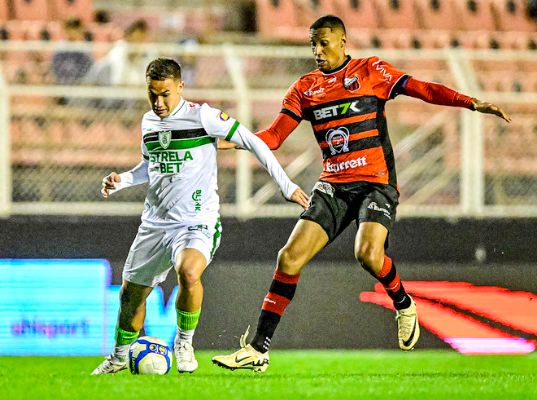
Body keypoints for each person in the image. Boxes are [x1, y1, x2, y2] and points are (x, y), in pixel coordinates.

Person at [212, 14, 511, 373]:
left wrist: (470, 102)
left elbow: (424, 89)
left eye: (324, 43)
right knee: (288, 258)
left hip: (376, 182)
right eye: (313, 44)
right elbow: (275, 136)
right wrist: (236, 140)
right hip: (333, 185)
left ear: (342, 41)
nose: (317, 51)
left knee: (367, 254)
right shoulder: (304, 88)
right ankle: (258, 350)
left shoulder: (371, 71)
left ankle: (403, 303)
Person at [90, 57, 310, 375]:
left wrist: (286, 185)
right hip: (155, 223)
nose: (159, 101)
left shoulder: (203, 116)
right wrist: (122, 179)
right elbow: (150, 167)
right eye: (152, 94)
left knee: (188, 272)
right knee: (130, 295)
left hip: (197, 220)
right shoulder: (149, 122)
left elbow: (253, 142)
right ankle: (119, 356)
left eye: (165, 93)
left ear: (180, 86)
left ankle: (184, 343)